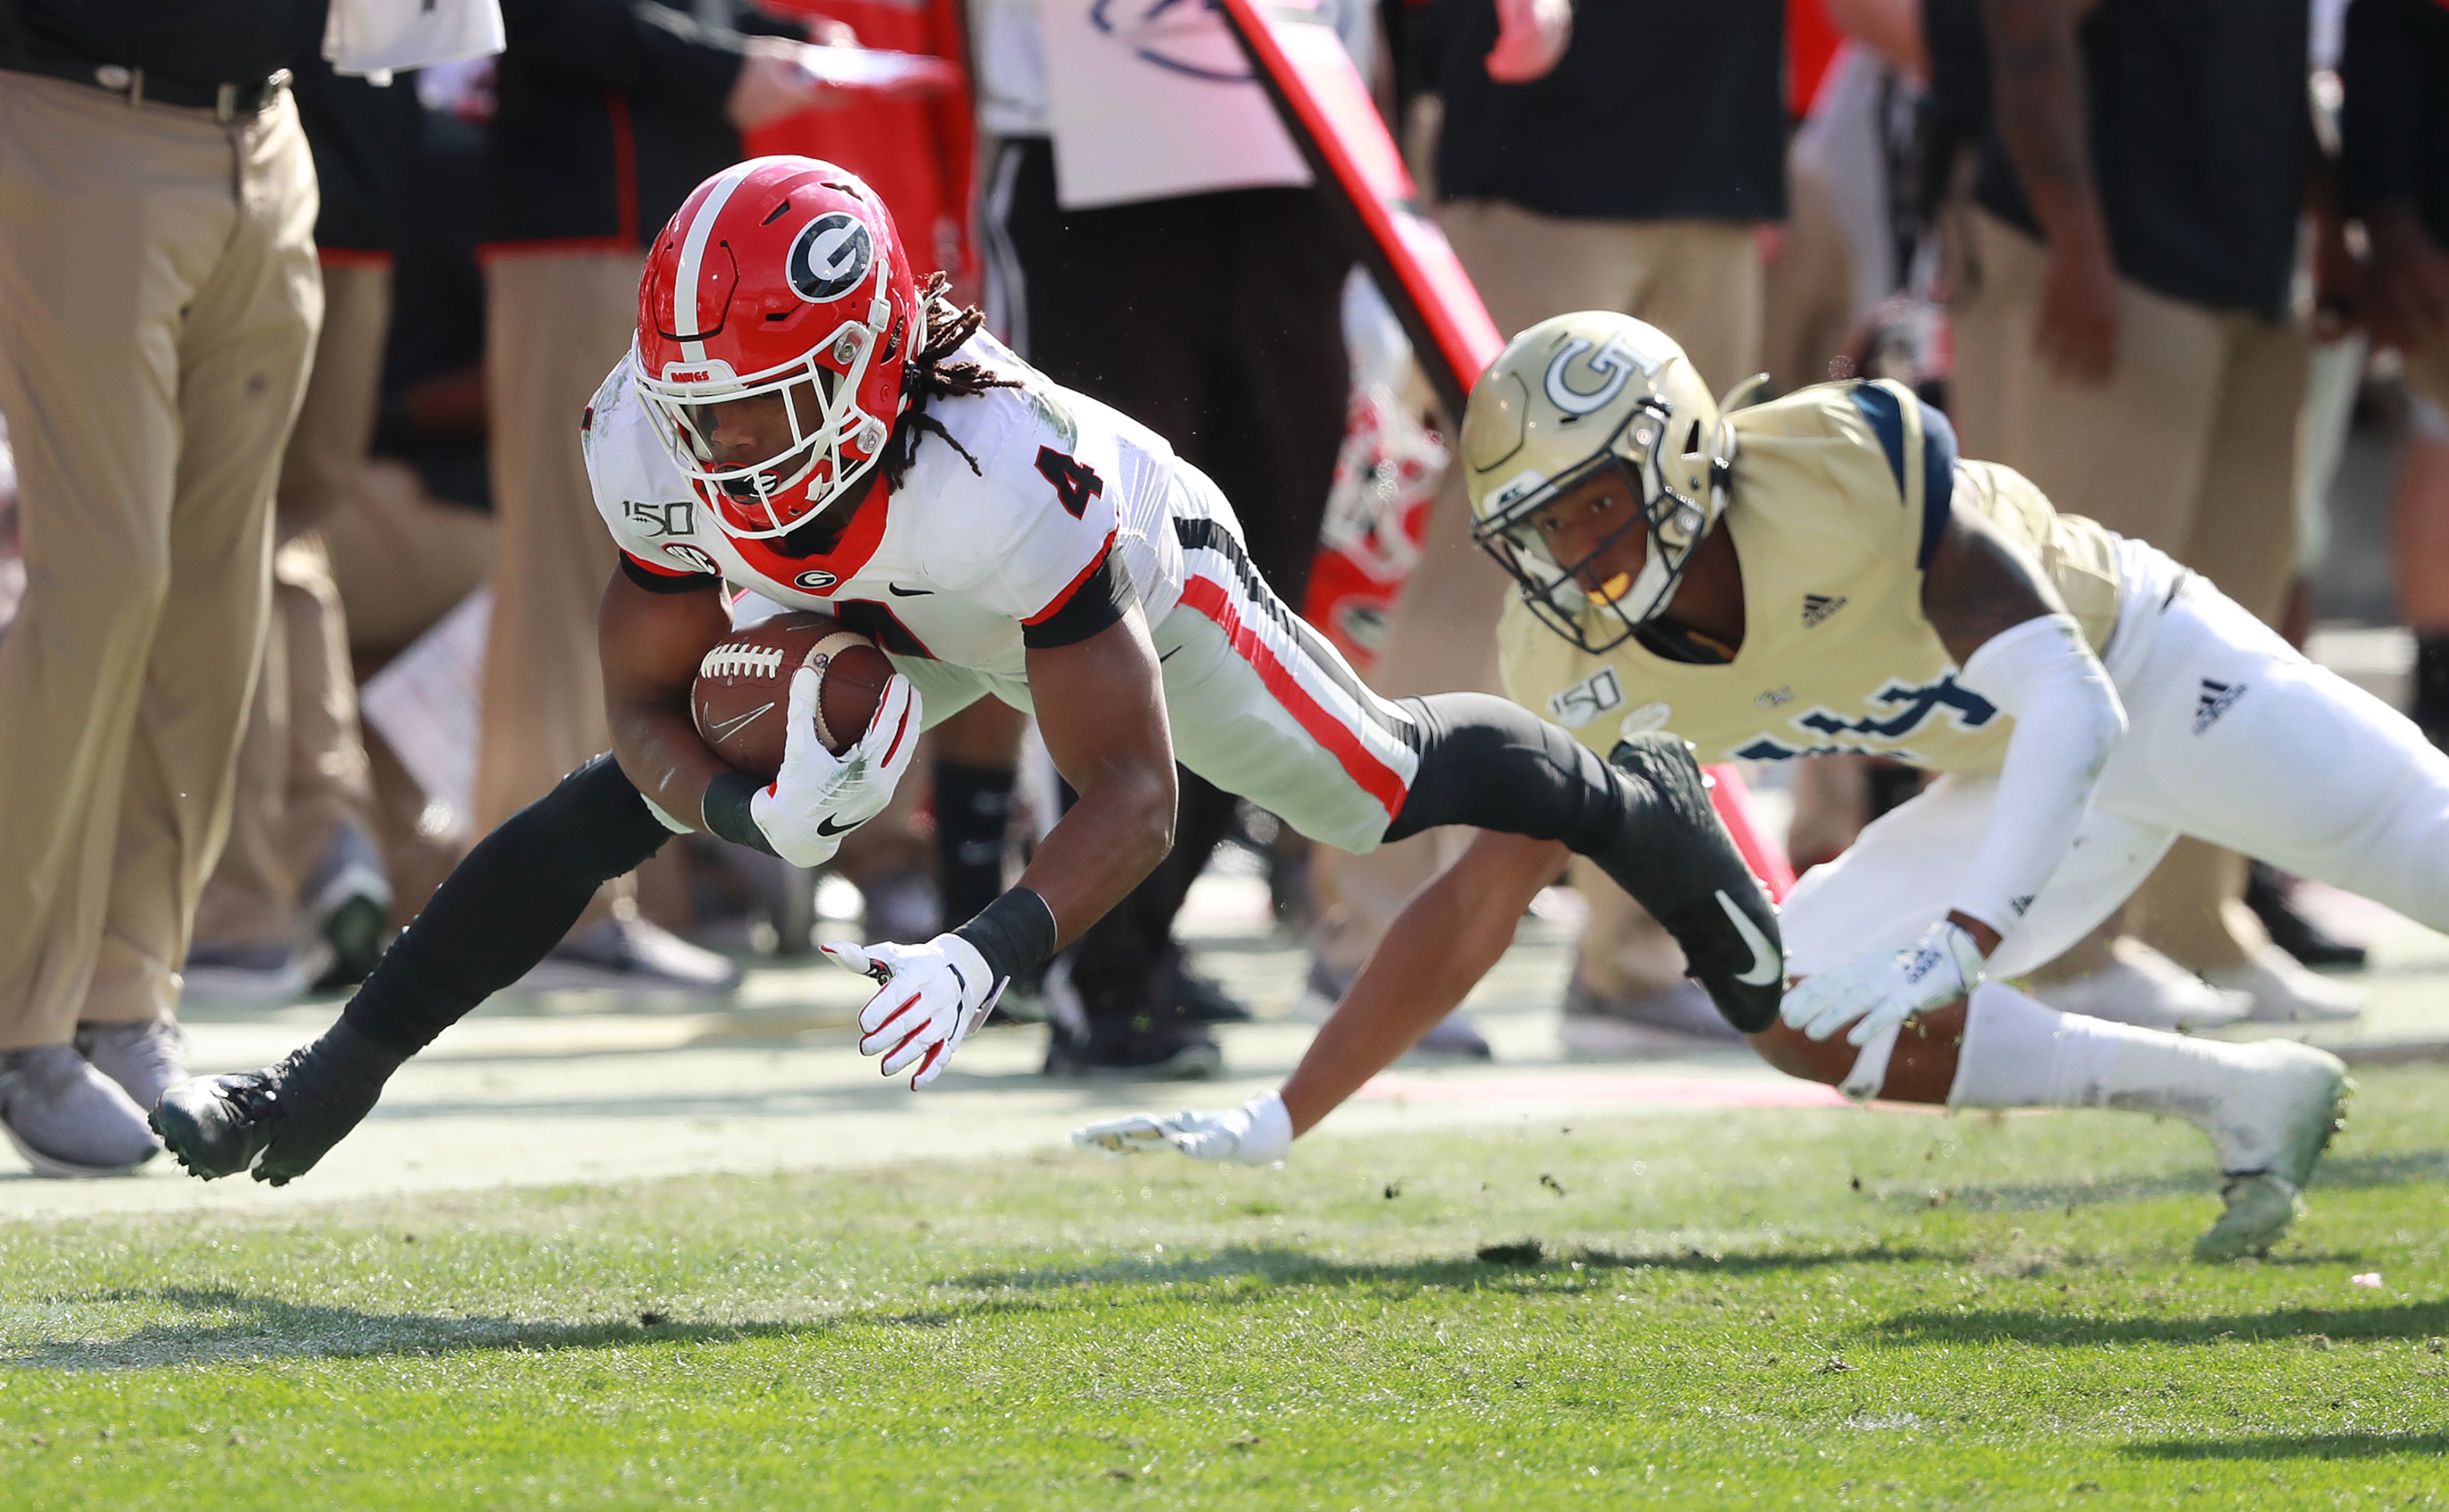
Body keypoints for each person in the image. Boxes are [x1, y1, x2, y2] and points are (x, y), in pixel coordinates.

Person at [146, 158, 1781, 1185]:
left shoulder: (1009, 481)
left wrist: (984, 951)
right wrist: (737, 803)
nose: (718, 448)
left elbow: (1134, 799)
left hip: (1108, 572)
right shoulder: (656, 441)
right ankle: (328, 1076)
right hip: (885, 604)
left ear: (859, 376)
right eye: (698, 408)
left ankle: (1611, 791)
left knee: (1366, 789)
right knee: (609, 812)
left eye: (758, 409)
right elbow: (635, 712)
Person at [1075, 310, 2441, 1261]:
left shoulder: (1839, 467)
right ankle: (2242, 1099)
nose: (1575, 556)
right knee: (1798, 1003)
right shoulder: (1563, 650)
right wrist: (1284, 1113)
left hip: (2147, 671)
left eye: (1596, 504)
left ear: (1678, 454)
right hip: (2013, 778)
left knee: (2424, 841)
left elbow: (2074, 705)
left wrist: (1965, 938)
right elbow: (1480, 900)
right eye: (1540, 529)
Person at [1309, 0, 1790, 1060]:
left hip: (1714, 156)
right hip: (1541, 161)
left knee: (1684, 565)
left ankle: (1646, 951)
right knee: (1486, 567)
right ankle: (1371, 929)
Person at [1934, 0, 2355, 1025]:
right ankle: (2062, 950)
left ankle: (2192, 923)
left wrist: (2324, 219)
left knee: (2229, 627)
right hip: (2111, 248)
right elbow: (2028, 34)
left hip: (2242, 250)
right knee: (2085, 623)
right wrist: (2073, 237)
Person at [0, 1, 325, 1175]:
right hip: (78, 111)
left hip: (270, 130)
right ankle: (18, 1020)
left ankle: (127, 992)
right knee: (104, 581)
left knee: (214, 597)